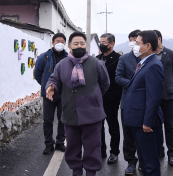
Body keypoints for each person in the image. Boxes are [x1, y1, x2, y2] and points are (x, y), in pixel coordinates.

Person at [46, 31, 110, 176]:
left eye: (82, 43)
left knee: (92, 146)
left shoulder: (96, 63)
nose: (79, 46)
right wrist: (51, 87)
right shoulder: (62, 65)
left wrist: (94, 97)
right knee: (72, 146)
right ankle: (76, 171)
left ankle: (91, 172)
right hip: (70, 112)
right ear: (69, 46)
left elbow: (105, 84)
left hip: (92, 113)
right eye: (76, 44)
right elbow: (54, 80)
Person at [124, 30, 164, 176]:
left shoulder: (153, 65)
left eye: (138, 43)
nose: (134, 46)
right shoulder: (144, 63)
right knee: (145, 162)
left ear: (148, 46)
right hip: (138, 121)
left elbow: (154, 97)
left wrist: (147, 122)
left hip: (147, 125)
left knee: (150, 164)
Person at [34, 33, 68, 154]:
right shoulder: (44, 57)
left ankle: (60, 143)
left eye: (62, 41)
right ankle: (49, 144)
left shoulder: (68, 58)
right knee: (48, 121)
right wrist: (46, 86)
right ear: (53, 43)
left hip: (63, 94)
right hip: (48, 94)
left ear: (65, 43)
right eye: (57, 41)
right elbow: (37, 74)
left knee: (62, 119)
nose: (60, 43)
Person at [115, 29, 141, 174]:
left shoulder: (150, 58)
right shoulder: (123, 59)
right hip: (128, 101)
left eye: (137, 39)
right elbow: (118, 77)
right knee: (129, 133)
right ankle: (131, 161)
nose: (134, 42)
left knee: (144, 132)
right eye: (132, 39)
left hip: (145, 102)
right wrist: (133, 83)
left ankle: (143, 160)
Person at [153, 30, 173, 166]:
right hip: (152, 97)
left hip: (168, 96)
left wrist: (168, 85)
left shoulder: (171, 54)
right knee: (155, 125)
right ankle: (160, 149)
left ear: (159, 39)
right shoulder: (149, 55)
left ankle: (172, 153)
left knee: (169, 126)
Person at [96, 33, 122, 164]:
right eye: (100, 41)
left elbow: (119, 80)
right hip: (97, 100)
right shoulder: (97, 58)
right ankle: (101, 151)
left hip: (111, 99)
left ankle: (114, 152)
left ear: (111, 44)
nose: (101, 44)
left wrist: (116, 96)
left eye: (104, 42)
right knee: (98, 127)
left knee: (113, 126)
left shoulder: (118, 59)